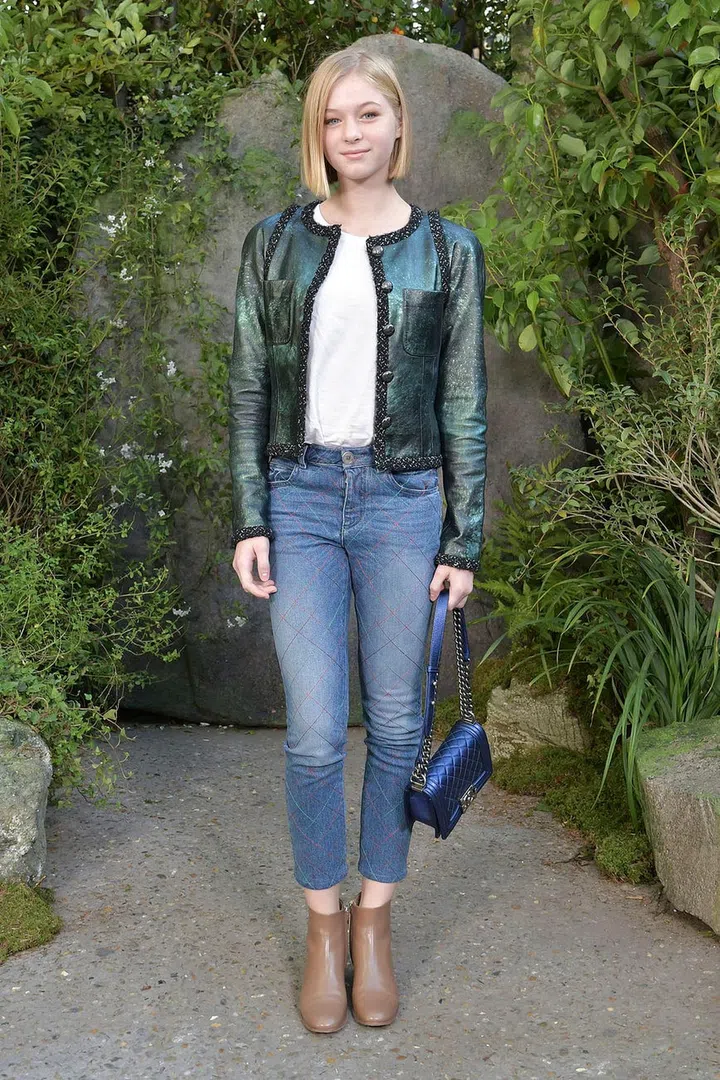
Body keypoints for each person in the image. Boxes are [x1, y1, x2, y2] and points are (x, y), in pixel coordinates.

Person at [228, 46, 487, 1033]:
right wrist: (251, 516)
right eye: (334, 118)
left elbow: (463, 403)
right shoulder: (273, 244)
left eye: (368, 114)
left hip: (401, 502)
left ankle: (374, 917)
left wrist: (462, 540)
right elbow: (249, 389)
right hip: (297, 499)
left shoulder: (449, 251)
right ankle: (322, 924)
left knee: (396, 723)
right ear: (318, 133)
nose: (351, 133)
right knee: (310, 731)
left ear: (398, 123)